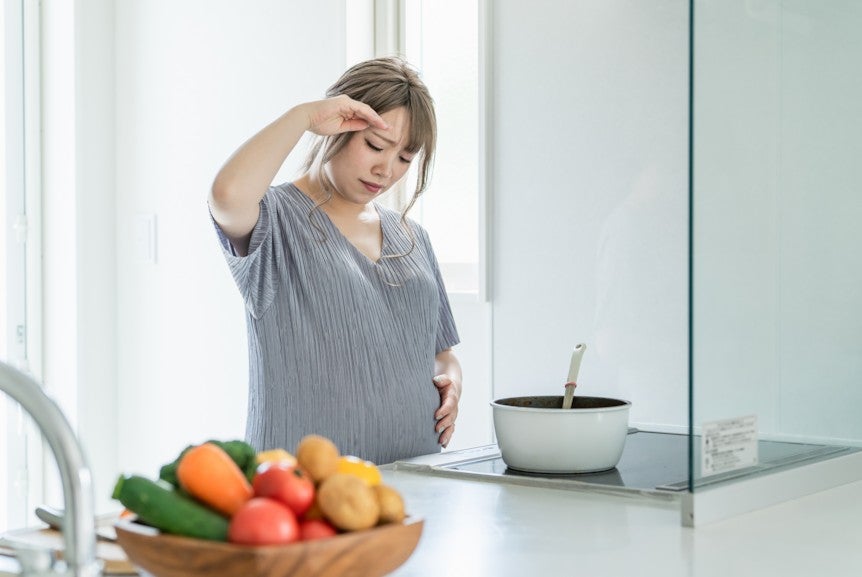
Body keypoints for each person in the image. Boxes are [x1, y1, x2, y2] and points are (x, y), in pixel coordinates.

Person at [208, 57, 462, 464]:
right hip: (298, 494)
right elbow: (227, 194)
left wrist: (452, 379)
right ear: (339, 126)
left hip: (414, 482)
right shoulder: (275, 220)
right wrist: (302, 117)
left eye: (404, 158)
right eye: (375, 146)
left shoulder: (414, 238)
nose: (386, 170)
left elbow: (441, 351)